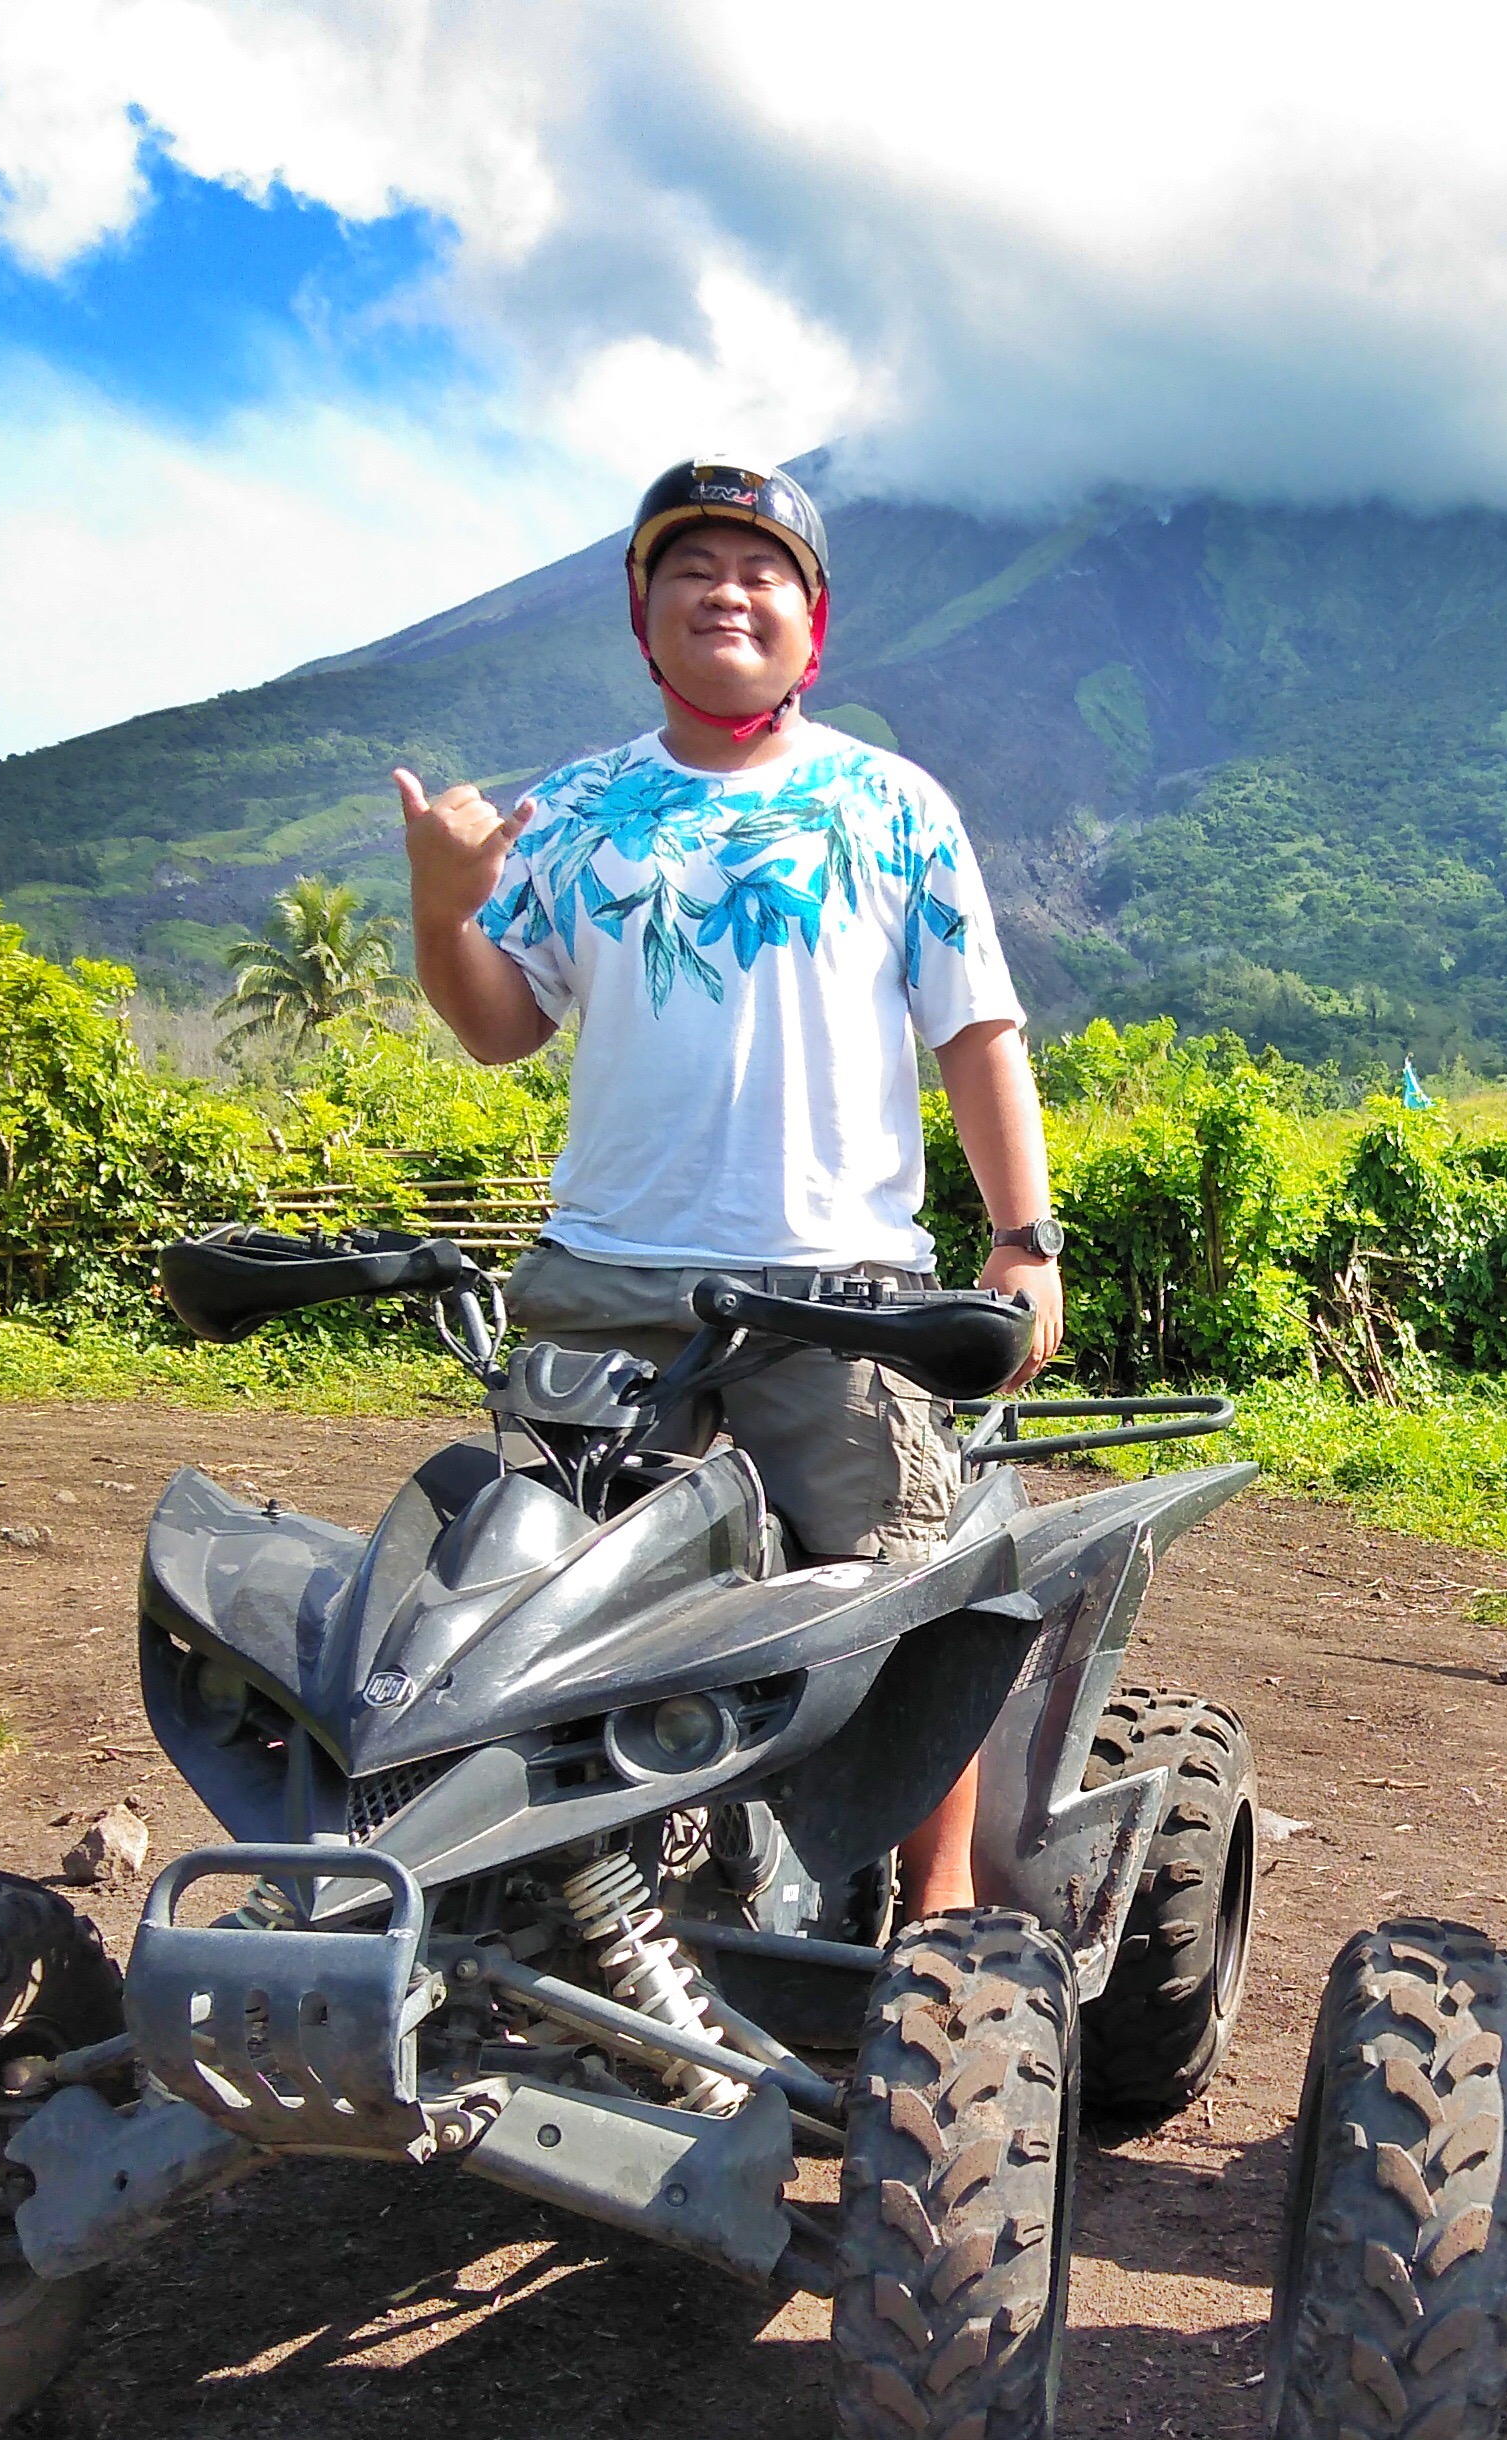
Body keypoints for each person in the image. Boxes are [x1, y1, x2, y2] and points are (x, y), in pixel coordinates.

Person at [392, 457, 1066, 1913]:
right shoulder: (576, 809)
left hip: (838, 1296)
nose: (726, 593)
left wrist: (1024, 1238)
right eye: (690, 569)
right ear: (642, 614)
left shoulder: (888, 803)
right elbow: (500, 1026)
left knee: (899, 1592)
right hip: (602, 1286)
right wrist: (442, 913)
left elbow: (977, 1034)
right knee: (548, 1612)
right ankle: (591, 1909)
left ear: (811, 625)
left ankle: (939, 1905)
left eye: (763, 571)